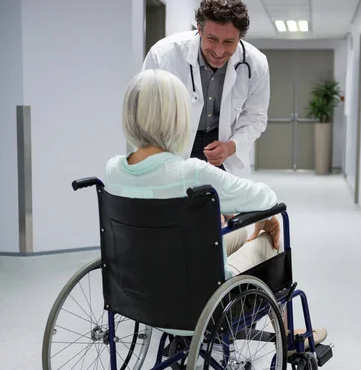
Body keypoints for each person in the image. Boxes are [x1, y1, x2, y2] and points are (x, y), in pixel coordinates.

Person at [104, 69, 327, 347]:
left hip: (136, 296)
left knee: (231, 230)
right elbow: (266, 198)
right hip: (200, 304)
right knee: (269, 234)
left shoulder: (112, 170)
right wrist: (264, 219)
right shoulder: (192, 173)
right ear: (177, 117)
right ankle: (286, 336)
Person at [142, 0, 270, 177]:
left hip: (221, 146)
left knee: (220, 204)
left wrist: (231, 146)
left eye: (228, 42)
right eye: (212, 39)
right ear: (199, 29)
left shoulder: (256, 64)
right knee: (175, 202)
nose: (219, 51)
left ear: (240, 37)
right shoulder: (164, 54)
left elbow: (255, 117)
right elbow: (144, 110)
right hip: (172, 144)